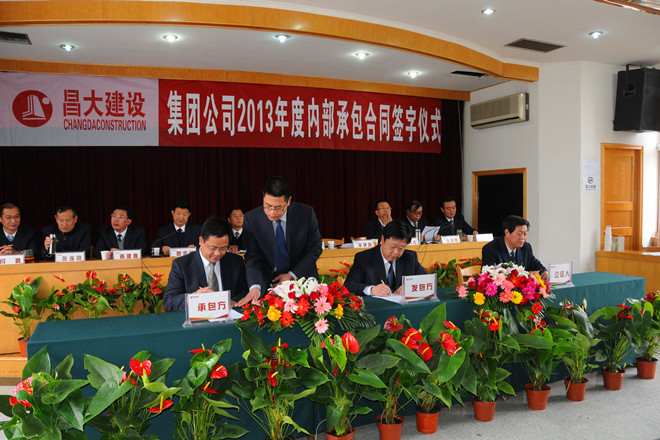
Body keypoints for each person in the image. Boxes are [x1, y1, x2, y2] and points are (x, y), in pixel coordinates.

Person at [237, 176, 322, 307]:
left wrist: (292, 275)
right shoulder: (251, 219)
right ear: (263, 197)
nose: (272, 212)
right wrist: (255, 286)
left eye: (278, 207)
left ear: (288, 201)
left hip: (301, 279)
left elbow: (314, 249)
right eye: (267, 206)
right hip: (268, 282)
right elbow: (253, 257)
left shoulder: (305, 214)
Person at [164, 216, 248, 311]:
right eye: (212, 248)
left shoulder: (236, 262)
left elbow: (245, 291)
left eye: (223, 248)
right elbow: (169, 301)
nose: (217, 253)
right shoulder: (182, 265)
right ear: (201, 241)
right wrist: (193, 298)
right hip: (198, 317)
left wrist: (233, 301)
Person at [344, 219, 428, 296]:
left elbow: (428, 279)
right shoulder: (364, 258)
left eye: (401, 248)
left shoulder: (410, 257)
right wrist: (371, 290)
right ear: (382, 239)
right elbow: (349, 285)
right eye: (392, 246)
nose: (396, 252)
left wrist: (411, 286)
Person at [481, 215, 547, 280]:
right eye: (519, 234)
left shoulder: (526, 247)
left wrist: (544, 272)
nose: (522, 238)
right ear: (507, 233)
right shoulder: (491, 249)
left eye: (525, 234)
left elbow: (535, 264)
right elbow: (491, 276)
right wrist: (526, 274)